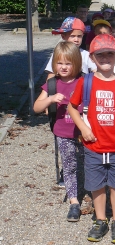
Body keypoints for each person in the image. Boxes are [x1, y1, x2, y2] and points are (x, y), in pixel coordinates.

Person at [68, 34, 115, 243]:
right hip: (93, 146)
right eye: (101, 55)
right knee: (96, 184)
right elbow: (72, 107)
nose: (106, 58)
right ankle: (100, 220)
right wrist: (82, 128)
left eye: (110, 53)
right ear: (92, 57)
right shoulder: (86, 82)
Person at [33, 42, 84, 222]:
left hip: (85, 133)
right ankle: (74, 201)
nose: (63, 67)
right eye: (60, 63)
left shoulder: (85, 81)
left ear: (77, 63)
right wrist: (51, 99)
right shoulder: (51, 84)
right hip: (63, 132)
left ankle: (97, 194)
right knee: (70, 167)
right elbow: (36, 107)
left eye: (68, 63)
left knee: (89, 166)